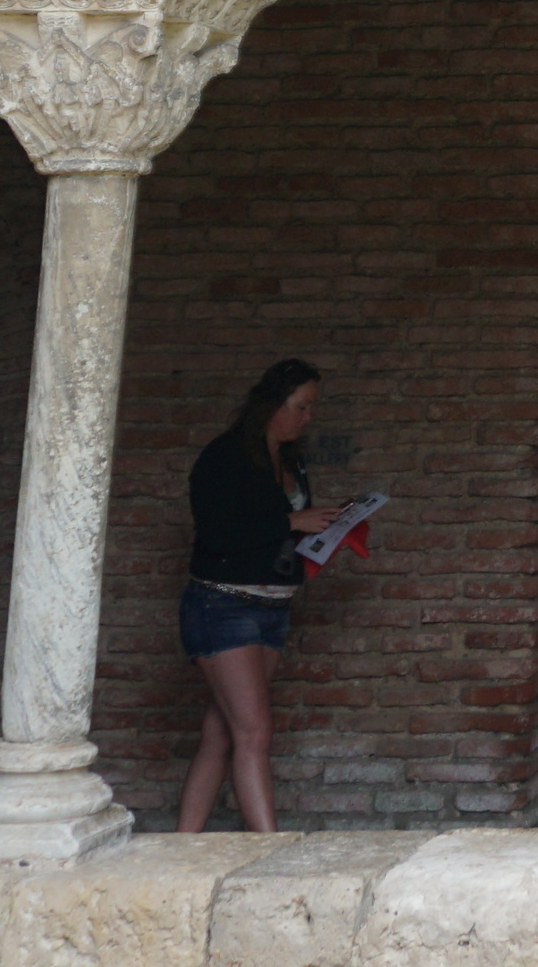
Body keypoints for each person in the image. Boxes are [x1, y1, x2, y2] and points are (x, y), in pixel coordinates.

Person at [175, 356, 343, 833]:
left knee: (223, 730)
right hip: (223, 605)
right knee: (254, 731)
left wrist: (329, 527)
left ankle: (183, 844)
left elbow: (278, 533)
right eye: (302, 406)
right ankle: (266, 850)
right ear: (272, 404)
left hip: (272, 608)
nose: (309, 417)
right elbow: (217, 532)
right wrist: (291, 522)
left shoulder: (290, 459)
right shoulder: (224, 456)